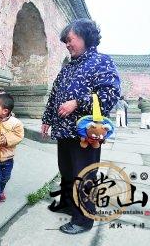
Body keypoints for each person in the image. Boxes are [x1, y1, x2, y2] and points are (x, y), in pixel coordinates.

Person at [41, 19, 120, 234]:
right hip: (63, 130)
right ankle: (68, 203)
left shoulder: (101, 61)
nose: (67, 44)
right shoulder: (67, 67)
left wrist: (77, 102)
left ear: (85, 37)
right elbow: (54, 95)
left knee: (84, 175)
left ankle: (83, 220)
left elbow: (110, 95)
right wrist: (46, 119)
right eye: (65, 41)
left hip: (86, 133)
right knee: (66, 170)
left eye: (70, 39)